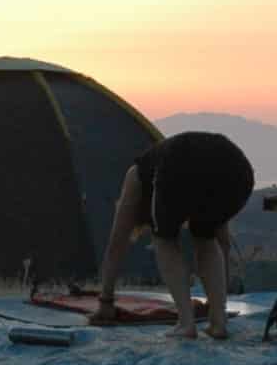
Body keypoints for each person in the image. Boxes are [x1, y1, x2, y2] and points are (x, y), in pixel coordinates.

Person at [90, 130, 256, 339]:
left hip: (183, 164)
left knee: (164, 241)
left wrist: (106, 301)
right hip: (239, 172)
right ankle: (218, 323)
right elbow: (222, 243)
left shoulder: (136, 175)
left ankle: (186, 324)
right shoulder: (166, 169)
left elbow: (116, 244)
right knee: (205, 237)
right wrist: (217, 302)